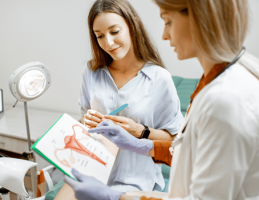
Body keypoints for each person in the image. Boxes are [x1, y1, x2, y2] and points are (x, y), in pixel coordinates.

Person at [64, 0, 259, 199]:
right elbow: (188, 151)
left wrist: (114, 197)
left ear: (199, 20)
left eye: (168, 22)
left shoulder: (226, 100)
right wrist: (138, 144)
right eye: (100, 36)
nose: (164, 35)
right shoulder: (213, 82)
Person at [53, 0, 183, 199]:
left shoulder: (159, 78)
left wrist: (140, 131)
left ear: (132, 25)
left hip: (136, 181)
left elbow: (175, 139)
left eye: (114, 32)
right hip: (91, 172)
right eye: (100, 36)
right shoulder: (91, 71)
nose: (108, 43)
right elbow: (83, 120)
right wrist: (85, 122)